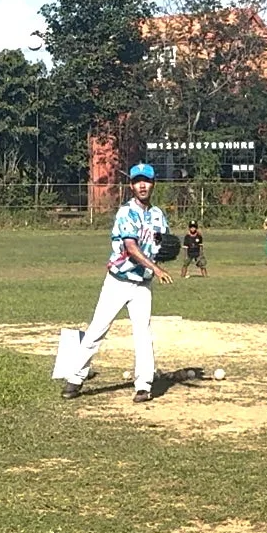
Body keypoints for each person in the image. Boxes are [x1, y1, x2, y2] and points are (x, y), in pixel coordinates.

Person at [60, 163, 173, 404]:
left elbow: (161, 242)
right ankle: (75, 378)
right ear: (131, 185)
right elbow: (131, 248)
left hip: (142, 285)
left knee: (143, 334)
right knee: (97, 330)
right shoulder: (126, 212)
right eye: (138, 181)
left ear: (153, 184)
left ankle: (143, 385)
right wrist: (156, 267)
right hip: (118, 282)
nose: (142, 185)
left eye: (147, 180)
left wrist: (166, 251)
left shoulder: (158, 215)